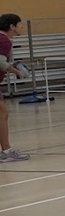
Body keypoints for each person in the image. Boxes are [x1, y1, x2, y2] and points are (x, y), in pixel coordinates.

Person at [0, 13, 30, 161]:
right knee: (2, 114)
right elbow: (0, 63)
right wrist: (17, 71)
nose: (22, 27)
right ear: (12, 26)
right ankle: (6, 152)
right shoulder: (4, 41)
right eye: (20, 24)